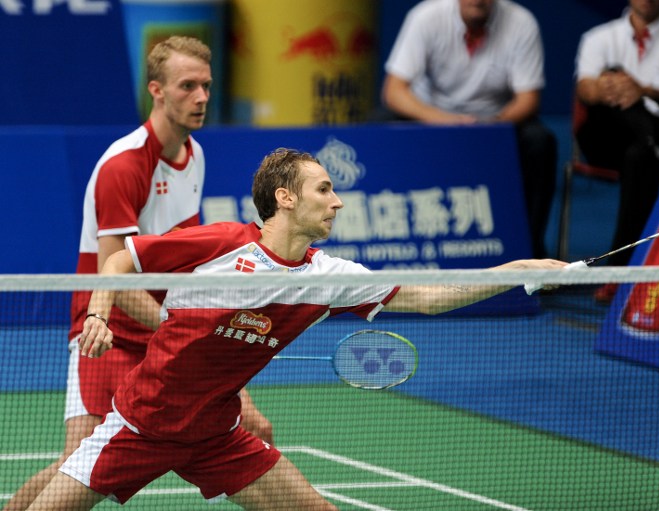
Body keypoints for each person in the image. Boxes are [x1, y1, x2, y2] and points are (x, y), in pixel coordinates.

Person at [28, 148, 567, 510]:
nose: (337, 201)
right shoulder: (221, 246)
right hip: (141, 428)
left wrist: (515, 273)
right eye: (324, 189)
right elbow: (121, 260)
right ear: (285, 198)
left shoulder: (328, 277)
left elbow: (428, 298)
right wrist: (99, 311)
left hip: (217, 436)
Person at [3, 36, 272, 511]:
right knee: (78, 462)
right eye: (188, 86)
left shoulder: (195, 156)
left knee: (256, 425)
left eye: (206, 86)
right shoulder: (124, 165)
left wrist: (204, 316)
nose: (202, 97)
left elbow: (183, 256)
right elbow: (115, 277)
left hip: (159, 329)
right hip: (105, 330)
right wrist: (183, 329)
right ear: (157, 91)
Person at [381, 0, 557, 259]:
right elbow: (394, 91)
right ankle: (393, 246)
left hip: (495, 122)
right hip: (434, 118)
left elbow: (528, 99)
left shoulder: (522, 23)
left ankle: (529, 250)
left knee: (540, 141)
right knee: (381, 123)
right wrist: (442, 120)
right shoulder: (425, 17)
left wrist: (490, 128)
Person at [573, 0, 659, 299]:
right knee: (611, 95)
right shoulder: (598, 37)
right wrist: (612, 86)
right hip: (606, 139)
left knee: (639, 156)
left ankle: (617, 274)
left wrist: (641, 90)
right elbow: (585, 90)